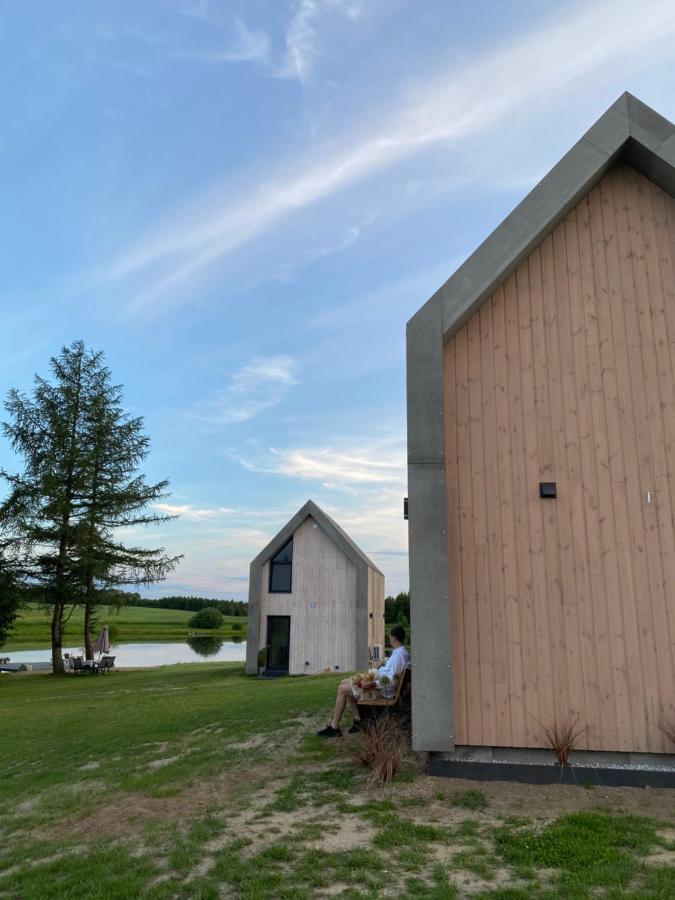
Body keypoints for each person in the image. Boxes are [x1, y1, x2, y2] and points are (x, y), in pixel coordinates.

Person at [316, 625, 411, 737]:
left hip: (381, 690)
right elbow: (391, 674)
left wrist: (373, 683)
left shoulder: (399, 656)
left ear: (394, 638)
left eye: (390, 637)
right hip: (380, 685)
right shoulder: (401, 653)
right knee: (344, 682)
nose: (389, 640)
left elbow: (392, 680)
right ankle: (359, 720)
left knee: (342, 689)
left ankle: (334, 727)